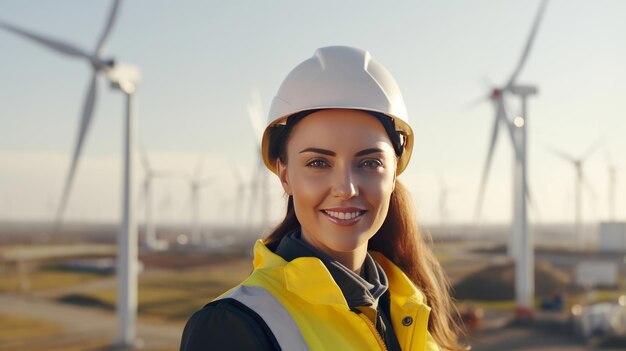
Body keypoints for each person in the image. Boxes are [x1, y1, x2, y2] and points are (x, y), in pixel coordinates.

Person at [180, 46, 466, 351]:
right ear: (285, 175)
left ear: (394, 174)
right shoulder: (232, 328)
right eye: (318, 163)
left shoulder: (411, 310)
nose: (346, 188)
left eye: (369, 163)